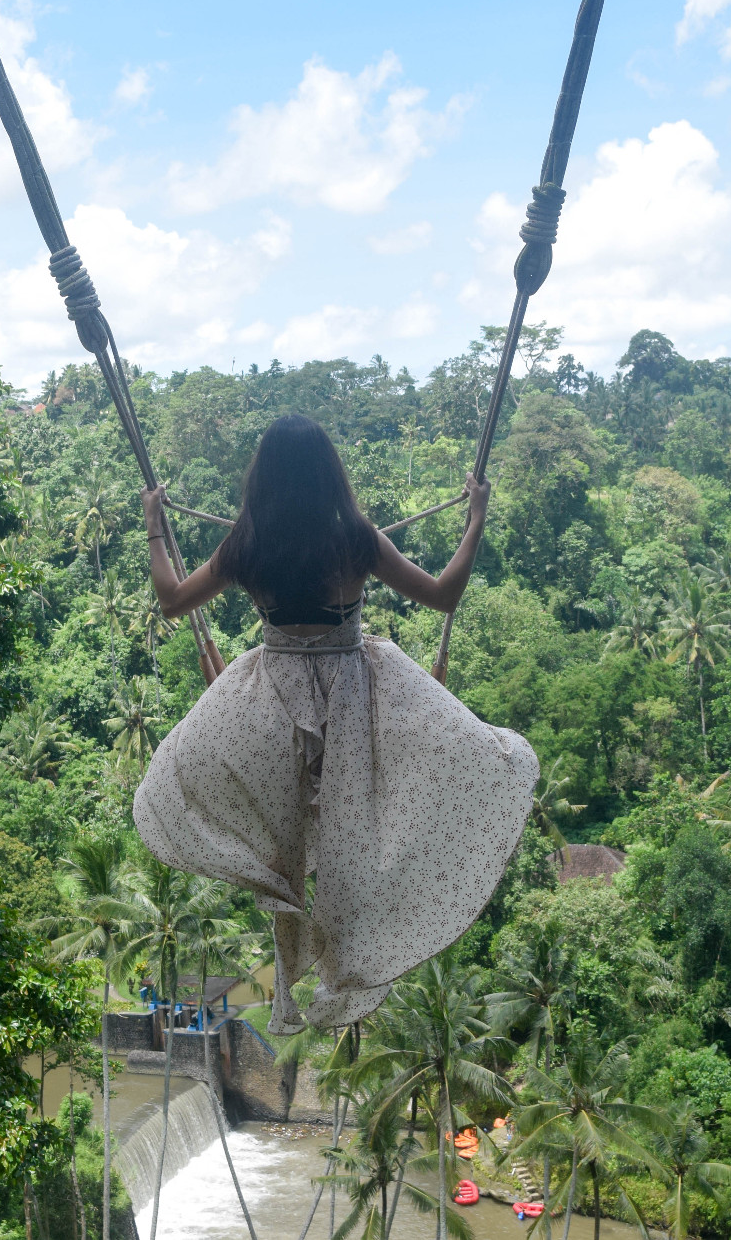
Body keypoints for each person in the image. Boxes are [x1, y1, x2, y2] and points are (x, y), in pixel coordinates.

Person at [134, 414, 538, 1031]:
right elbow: (443, 595)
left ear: (262, 479)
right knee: (360, 831)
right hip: (355, 696)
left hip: (272, 700)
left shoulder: (249, 542)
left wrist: (156, 533)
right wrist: (476, 519)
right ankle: (346, 956)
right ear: (330, 474)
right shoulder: (355, 538)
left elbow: (172, 600)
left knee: (268, 818)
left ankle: (288, 910)